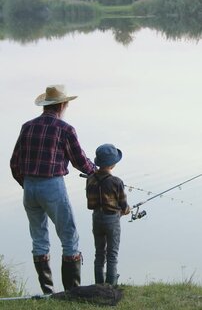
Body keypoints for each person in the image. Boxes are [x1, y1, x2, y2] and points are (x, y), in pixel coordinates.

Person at [10, 84, 96, 294]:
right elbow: (80, 161)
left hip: (29, 187)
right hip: (52, 185)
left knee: (39, 239)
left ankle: (48, 291)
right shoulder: (65, 129)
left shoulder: (27, 126)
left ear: (46, 105)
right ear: (63, 105)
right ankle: (71, 292)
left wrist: (27, 183)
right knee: (69, 236)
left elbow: (14, 162)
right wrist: (96, 172)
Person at [86, 143, 130, 286]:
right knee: (112, 254)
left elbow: (91, 201)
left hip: (96, 218)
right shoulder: (117, 182)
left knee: (99, 254)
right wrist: (126, 210)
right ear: (113, 164)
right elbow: (124, 205)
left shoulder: (90, 179)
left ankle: (99, 285)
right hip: (112, 220)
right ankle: (111, 286)